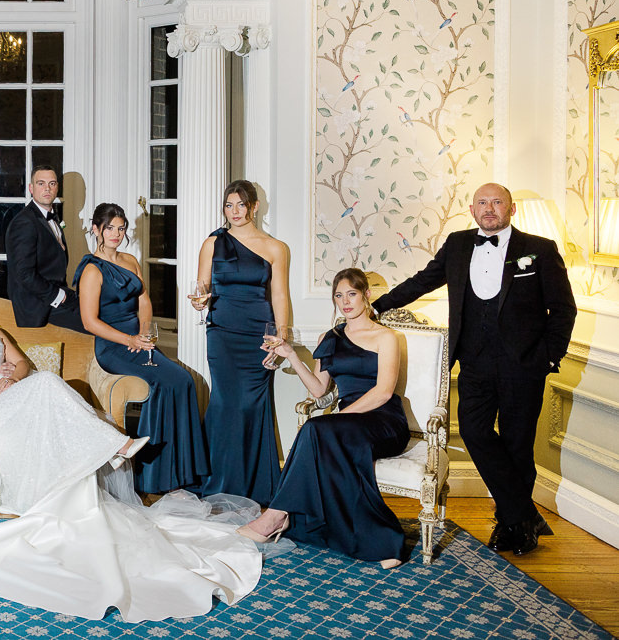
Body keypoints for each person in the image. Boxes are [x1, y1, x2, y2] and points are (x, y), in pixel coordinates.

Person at [0, 283, 262, 622]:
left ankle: (114, 445)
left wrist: (14, 375)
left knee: (43, 383)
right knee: (47, 383)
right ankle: (117, 444)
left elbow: (22, 364)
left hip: (11, 393)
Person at [373, 182, 576, 555]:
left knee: (517, 446)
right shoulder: (458, 244)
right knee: (474, 430)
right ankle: (524, 517)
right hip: (474, 363)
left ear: (511, 209)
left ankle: (511, 525)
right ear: (471, 210)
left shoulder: (540, 249)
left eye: (497, 202)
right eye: (482, 202)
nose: (489, 208)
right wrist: (377, 306)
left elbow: (564, 309)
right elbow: (422, 281)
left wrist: (548, 358)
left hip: (523, 367)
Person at [238, 268, 410, 568]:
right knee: (318, 429)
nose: (345, 302)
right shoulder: (329, 338)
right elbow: (319, 390)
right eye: (339, 296)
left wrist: (340, 417)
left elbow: (383, 393)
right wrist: (291, 355)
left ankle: (276, 516)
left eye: (352, 294)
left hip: (384, 421)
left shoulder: (386, 337)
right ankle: (378, 540)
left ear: (367, 295)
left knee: (319, 428)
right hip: (347, 425)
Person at [77, 203, 209, 494]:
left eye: (121, 228)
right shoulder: (92, 270)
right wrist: (129, 341)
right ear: (96, 229)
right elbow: (89, 322)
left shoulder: (131, 261)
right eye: (109, 228)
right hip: (113, 348)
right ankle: (154, 477)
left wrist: (144, 333)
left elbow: (144, 302)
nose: (116, 234)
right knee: (168, 382)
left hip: (138, 340)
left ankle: (184, 472)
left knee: (183, 380)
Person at [192, 179, 291, 504]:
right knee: (225, 405)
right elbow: (202, 289)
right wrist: (199, 303)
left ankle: (256, 486)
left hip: (258, 336)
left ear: (254, 207)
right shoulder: (212, 243)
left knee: (252, 407)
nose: (234, 211)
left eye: (241, 204)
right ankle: (219, 482)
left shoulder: (276, 248)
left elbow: (280, 296)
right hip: (222, 333)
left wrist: (281, 337)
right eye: (228, 205)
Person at [5, 164, 86, 333]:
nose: (47, 188)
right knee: (97, 321)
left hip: (57, 294)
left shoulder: (52, 217)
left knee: (106, 311)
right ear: (31, 188)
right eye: (41, 183)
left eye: (52, 183)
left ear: (57, 188)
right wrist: (60, 296)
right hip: (38, 306)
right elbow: (24, 274)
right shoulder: (24, 222)